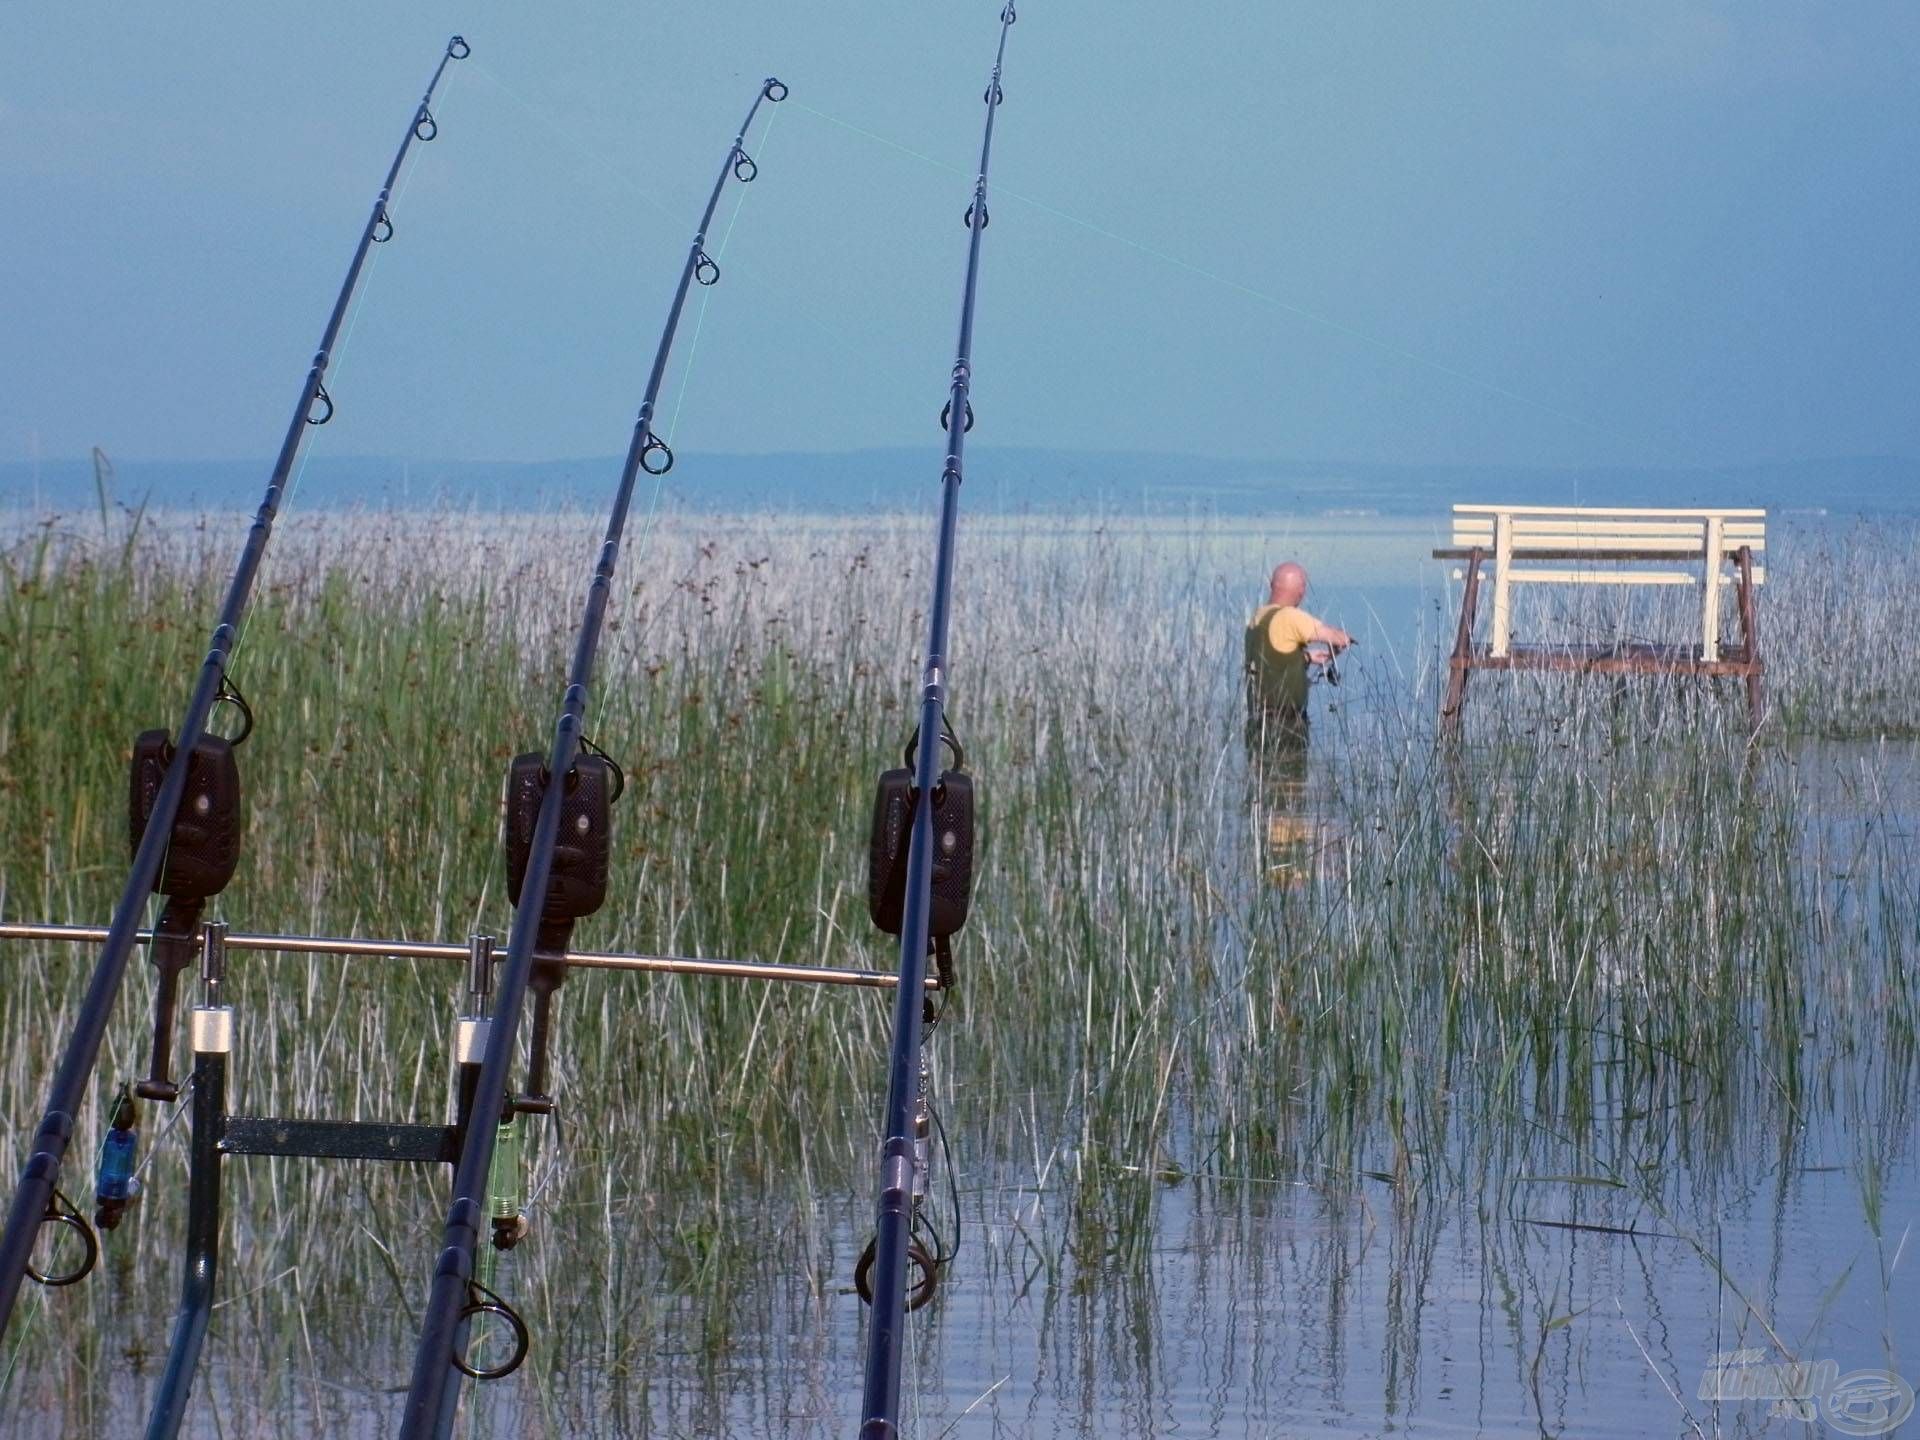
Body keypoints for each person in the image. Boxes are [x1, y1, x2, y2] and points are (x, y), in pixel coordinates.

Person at [1244, 562, 1353, 737]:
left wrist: (1306, 658)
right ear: (1301, 592)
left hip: (1256, 725)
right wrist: (1346, 638)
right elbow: (1334, 637)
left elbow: (1271, 663)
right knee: (1290, 765)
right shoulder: (1290, 617)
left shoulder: (1257, 618)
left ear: (1272, 586)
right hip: (1285, 728)